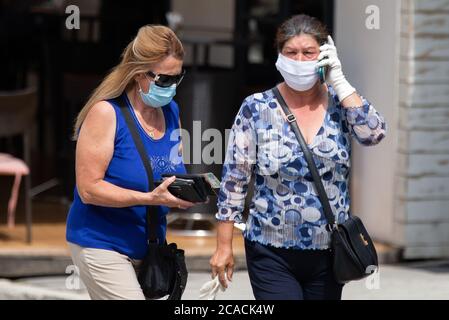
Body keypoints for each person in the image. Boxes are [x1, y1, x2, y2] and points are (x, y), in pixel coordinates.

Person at [210, 14, 387, 300]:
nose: (300, 60)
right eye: (291, 52)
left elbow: (374, 134)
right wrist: (223, 245)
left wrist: (339, 82)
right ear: (279, 56)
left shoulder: (341, 105)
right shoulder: (256, 107)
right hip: (269, 250)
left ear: (325, 54)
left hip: (329, 253)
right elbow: (235, 179)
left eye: (309, 52)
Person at [66, 25, 196, 300]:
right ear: (139, 74)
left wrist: (185, 193)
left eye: (177, 78)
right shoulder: (106, 113)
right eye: (164, 80)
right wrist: (150, 198)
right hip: (101, 243)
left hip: (149, 248)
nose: (171, 87)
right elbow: (89, 190)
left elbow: (172, 172)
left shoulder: (171, 111)